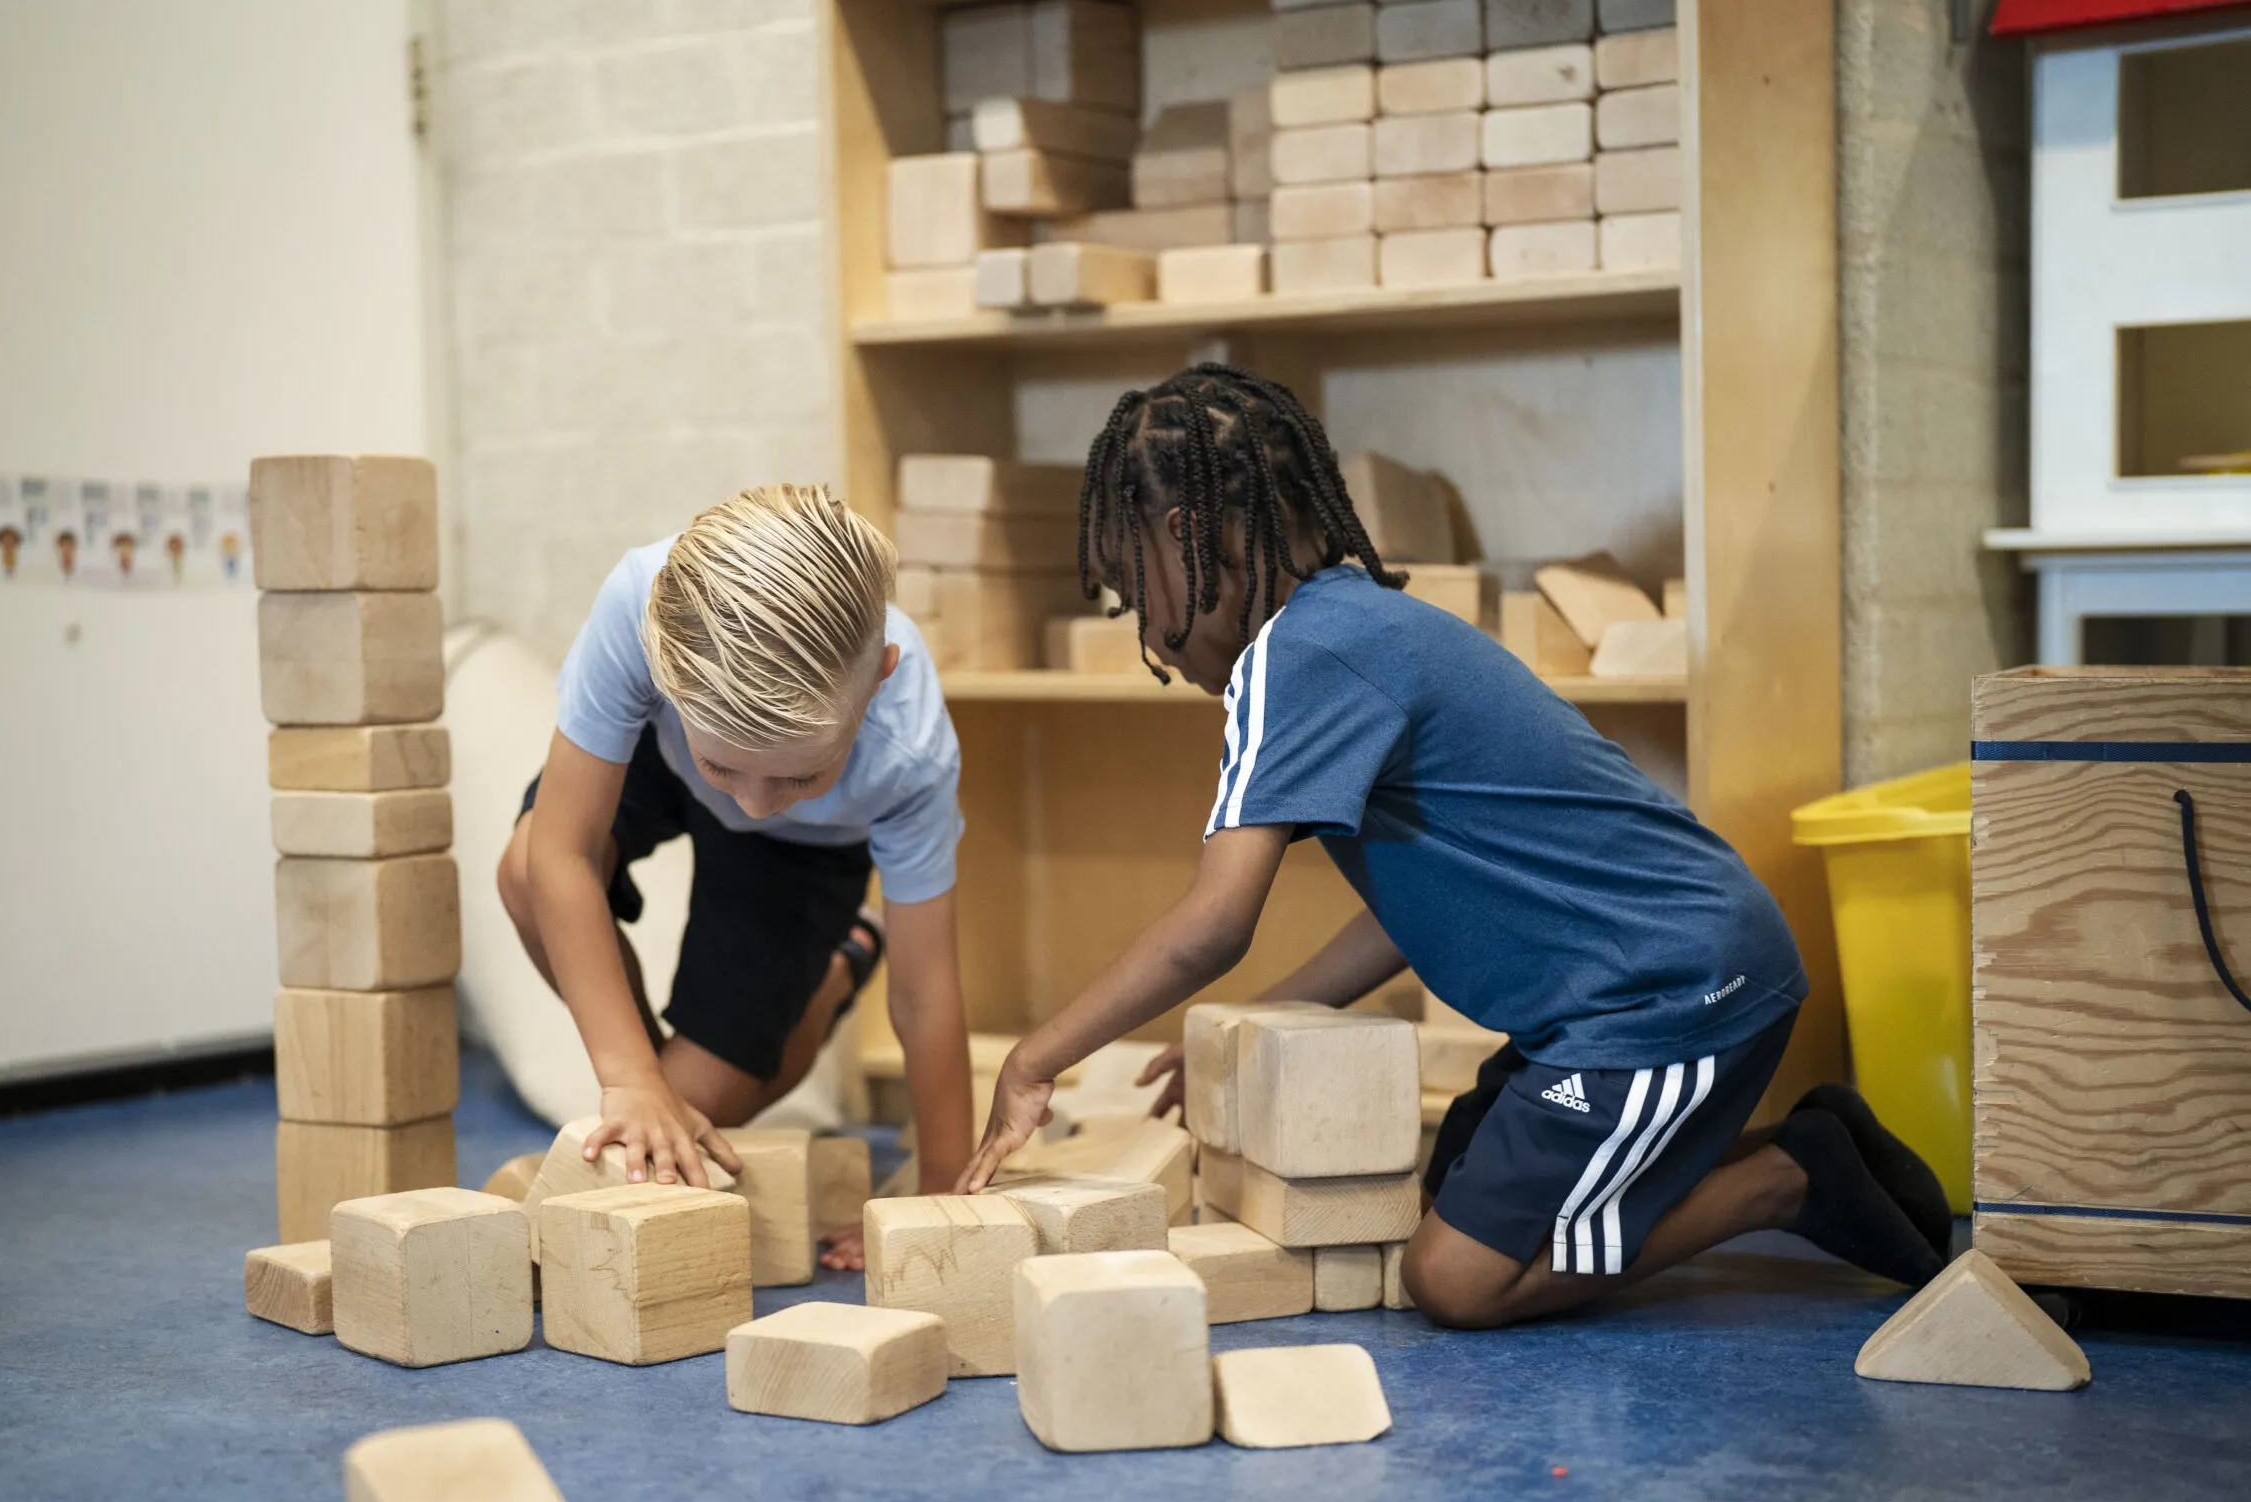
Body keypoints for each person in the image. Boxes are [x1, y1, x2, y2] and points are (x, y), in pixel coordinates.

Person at [956, 364, 1950, 1326]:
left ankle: (1790, 1178)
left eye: (1136, 596)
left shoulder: (1294, 658)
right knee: (1438, 1208)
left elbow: (1212, 923)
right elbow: (1406, 908)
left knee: (1454, 1280)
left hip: (1669, 992)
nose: (1153, 636)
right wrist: (1249, 1027)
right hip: (1628, 989)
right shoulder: (1354, 625)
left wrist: (1033, 1062)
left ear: (1184, 536)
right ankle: (1804, 1148)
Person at [500, 485, 973, 1269]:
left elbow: (926, 993)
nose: (751, 803)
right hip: (665, 748)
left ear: (881, 676)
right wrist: (631, 1080)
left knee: (706, 1108)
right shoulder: (639, 609)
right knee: (523, 872)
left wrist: (944, 1184)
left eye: (796, 774)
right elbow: (561, 856)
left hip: (808, 849)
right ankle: (741, 764)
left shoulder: (911, 754)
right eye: (732, 770)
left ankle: (833, 970)